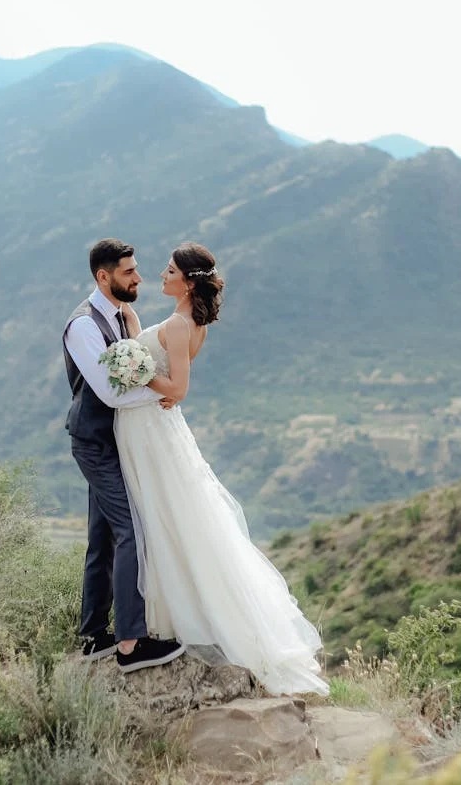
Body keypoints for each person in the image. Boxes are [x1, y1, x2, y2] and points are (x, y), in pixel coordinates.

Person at [115, 241, 328, 696]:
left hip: (151, 430)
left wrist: (136, 373)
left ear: (188, 283)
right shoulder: (187, 323)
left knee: (163, 515)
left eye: (170, 271)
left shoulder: (179, 325)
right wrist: (133, 332)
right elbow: (159, 355)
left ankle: (179, 616)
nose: (162, 275)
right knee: (171, 515)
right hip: (156, 428)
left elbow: (178, 388)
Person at [62, 238, 186, 673]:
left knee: (102, 536)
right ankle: (131, 645)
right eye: (129, 272)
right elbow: (111, 394)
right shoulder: (83, 326)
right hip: (95, 444)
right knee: (131, 530)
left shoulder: (120, 316)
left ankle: (94, 635)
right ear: (104, 276)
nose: (138, 278)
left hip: (117, 442)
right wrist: (164, 396)